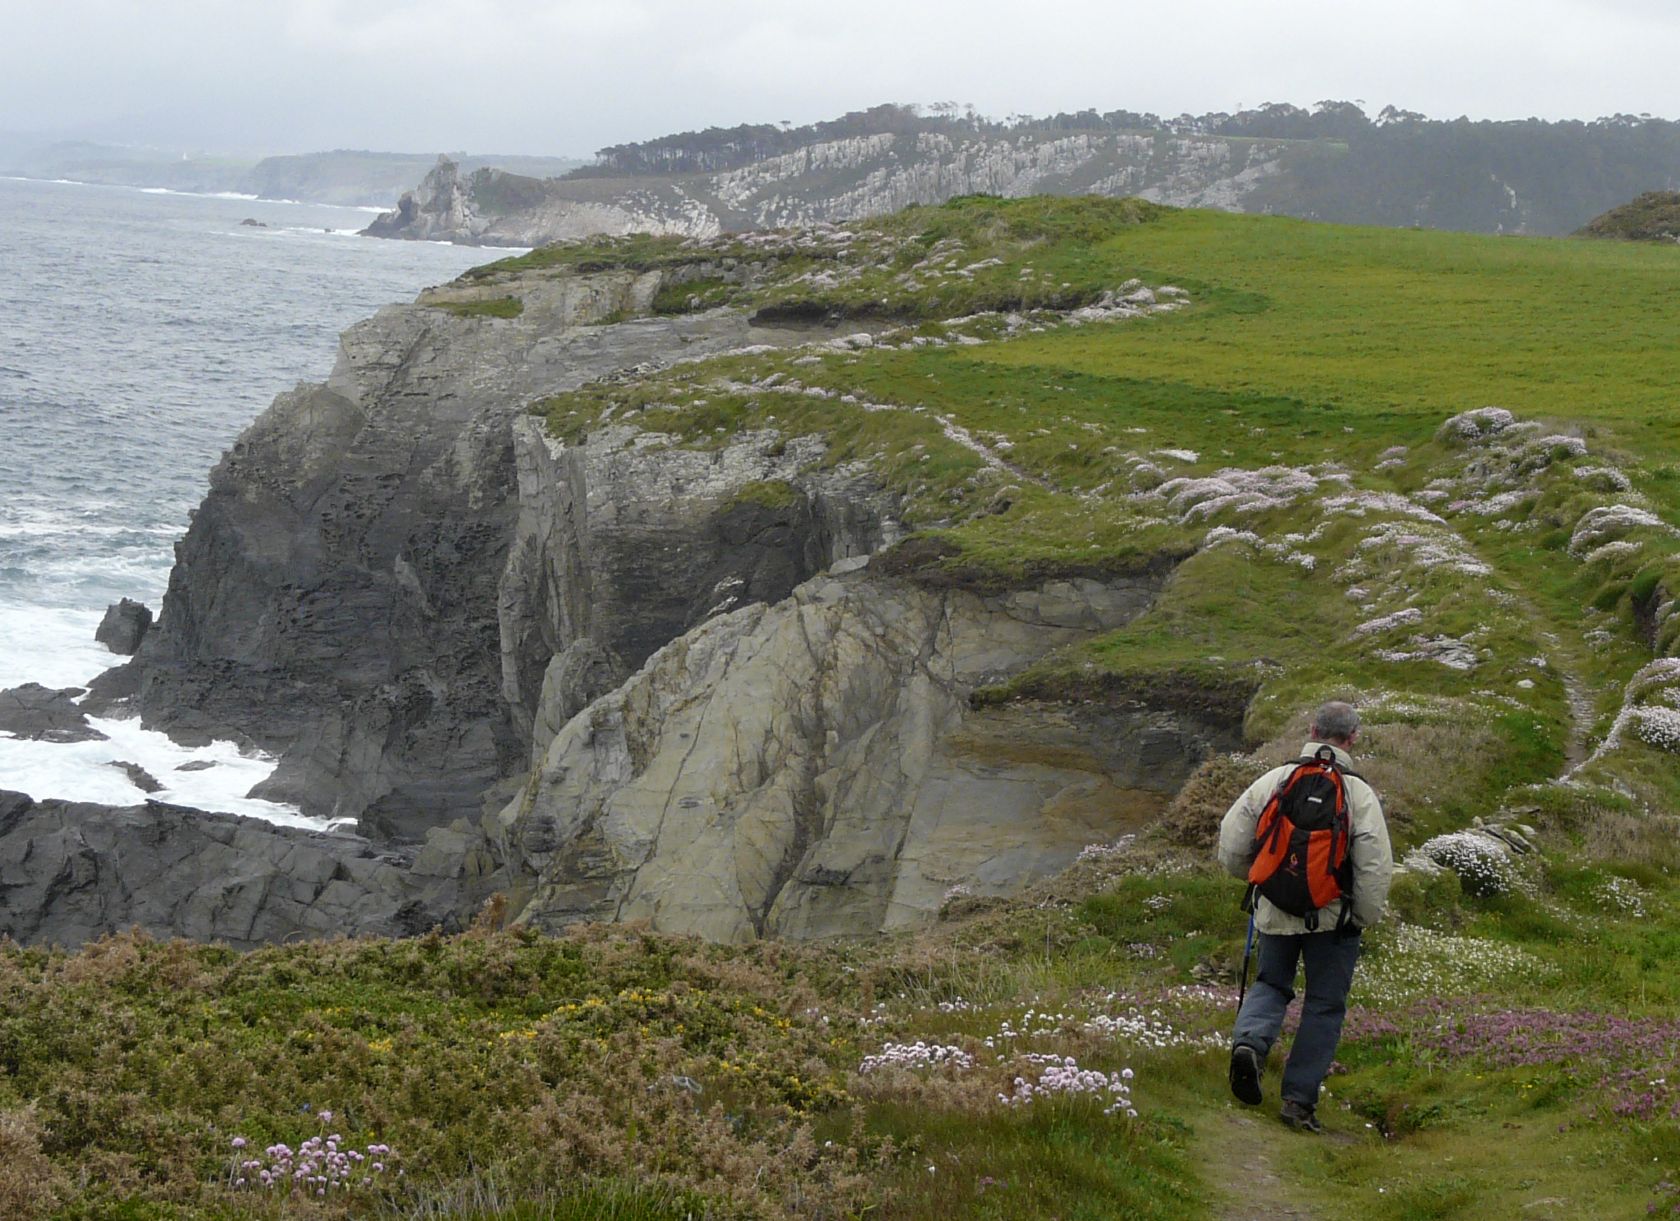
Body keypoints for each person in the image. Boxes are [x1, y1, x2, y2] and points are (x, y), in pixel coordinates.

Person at [1217, 700, 1393, 1134]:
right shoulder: (1358, 794)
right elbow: (1373, 864)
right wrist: (1362, 916)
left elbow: (1231, 842)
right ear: (1353, 738)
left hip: (1274, 910)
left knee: (1271, 983)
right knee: (1323, 1005)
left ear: (1312, 729)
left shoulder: (1274, 780)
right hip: (1333, 920)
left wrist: (1262, 880)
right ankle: (1297, 1102)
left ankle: (1250, 1047)